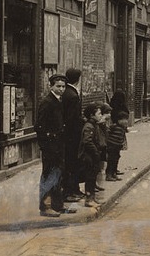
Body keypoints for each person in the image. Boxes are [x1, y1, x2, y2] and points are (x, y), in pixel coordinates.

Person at [35, 74, 69, 217]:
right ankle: (45, 206)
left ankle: (57, 204)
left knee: (58, 174)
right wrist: (45, 145)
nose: (61, 89)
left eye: (63, 86)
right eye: (58, 86)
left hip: (58, 144)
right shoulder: (47, 102)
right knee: (49, 175)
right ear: (51, 86)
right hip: (50, 145)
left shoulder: (58, 101)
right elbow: (39, 126)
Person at [61, 68, 84, 201]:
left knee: (70, 163)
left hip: (67, 135)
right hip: (72, 136)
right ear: (78, 79)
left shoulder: (66, 92)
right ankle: (70, 191)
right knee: (72, 163)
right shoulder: (73, 95)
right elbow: (72, 118)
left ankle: (74, 189)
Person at [79, 103, 104, 208]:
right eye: (98, 113)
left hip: (93, 156)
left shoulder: (94, 124)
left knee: (92, 177)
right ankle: (89, 199)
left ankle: (92, 198)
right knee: (89, 178)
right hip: (89, 156)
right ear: (91, 115)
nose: (100, 115)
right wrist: (96, 153)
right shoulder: (89, 126)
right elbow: (87, 141)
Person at [105, 111, 129, 181]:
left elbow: (123, 137)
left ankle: (114, 173)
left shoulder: (123, 128)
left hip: (117, 146)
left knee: (116, 159)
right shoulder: (114, 126)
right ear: (119, 120)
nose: (126, 121)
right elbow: (107, 133)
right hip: (112, 146)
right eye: (124, 120)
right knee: (111, 160)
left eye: (126, 119)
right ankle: (109, 175)